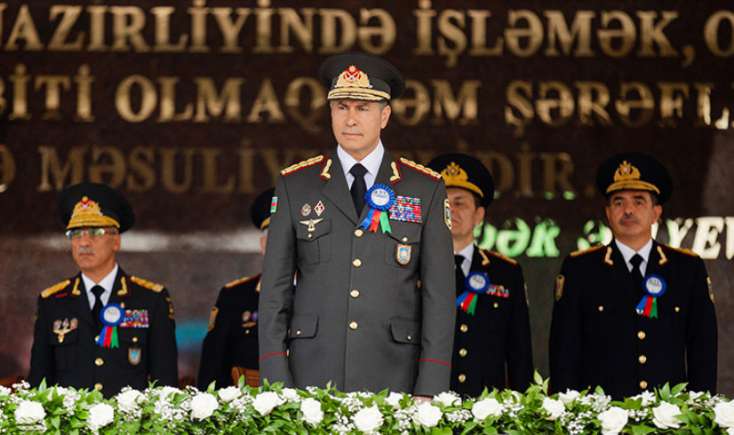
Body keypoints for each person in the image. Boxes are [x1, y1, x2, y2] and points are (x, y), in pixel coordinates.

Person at [258, 53, 455, 396]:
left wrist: (430, 387)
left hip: (395, 375)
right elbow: (275, 291)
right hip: (311, 375)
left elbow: (439, 297)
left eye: (363, 108)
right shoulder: (296, 185)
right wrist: (276, 381)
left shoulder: (425, 188)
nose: (350, 119)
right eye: (341, 107)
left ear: (385, 116)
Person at [549, 152, 717, 399]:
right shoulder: (580, 269)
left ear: (656, 212)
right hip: (601, 414)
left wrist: (699, 408)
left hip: (669, 414)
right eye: (618, 202)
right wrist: (568, 411)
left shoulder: (686, 268)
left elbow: (702, 350)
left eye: (639, 201)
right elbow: (564, 352)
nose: (628, 210)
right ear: (608, 213)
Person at [29, 182, 178, 397]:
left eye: (95, 232)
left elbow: (165, 383)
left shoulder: (150, 299)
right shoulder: (52, 302)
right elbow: (39, 384)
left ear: (116, 240)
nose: (84, 243)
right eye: (75, 234)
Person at [428, 153, 533, 396]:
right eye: (443, 203)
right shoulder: (411, 268)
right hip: (427, 408)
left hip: (487, 408)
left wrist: (525, 406)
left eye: (460, 203)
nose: (451, 210)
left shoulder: (506, 273)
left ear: (479, 215)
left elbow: (519, 352)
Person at [197, 188, 274, 390]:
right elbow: (212, 371)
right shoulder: (234, 297)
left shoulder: (323, 294)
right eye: (275, 238)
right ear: (263, 245)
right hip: (246, 406)